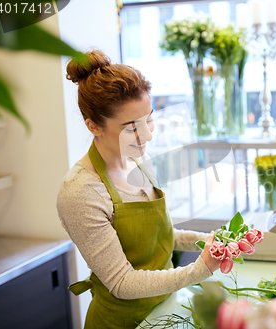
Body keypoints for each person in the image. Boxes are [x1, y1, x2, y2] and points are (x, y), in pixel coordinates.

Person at [57, 50, 221, 329]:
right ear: (94, 125)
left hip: (167, 311)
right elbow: (122, 282)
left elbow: (160, 235)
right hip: (123, 322)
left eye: (149, 119)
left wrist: (209, 241)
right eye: (132, 127)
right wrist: (199, 270)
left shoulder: (139, 160)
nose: (146, 135)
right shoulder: (81, 192)